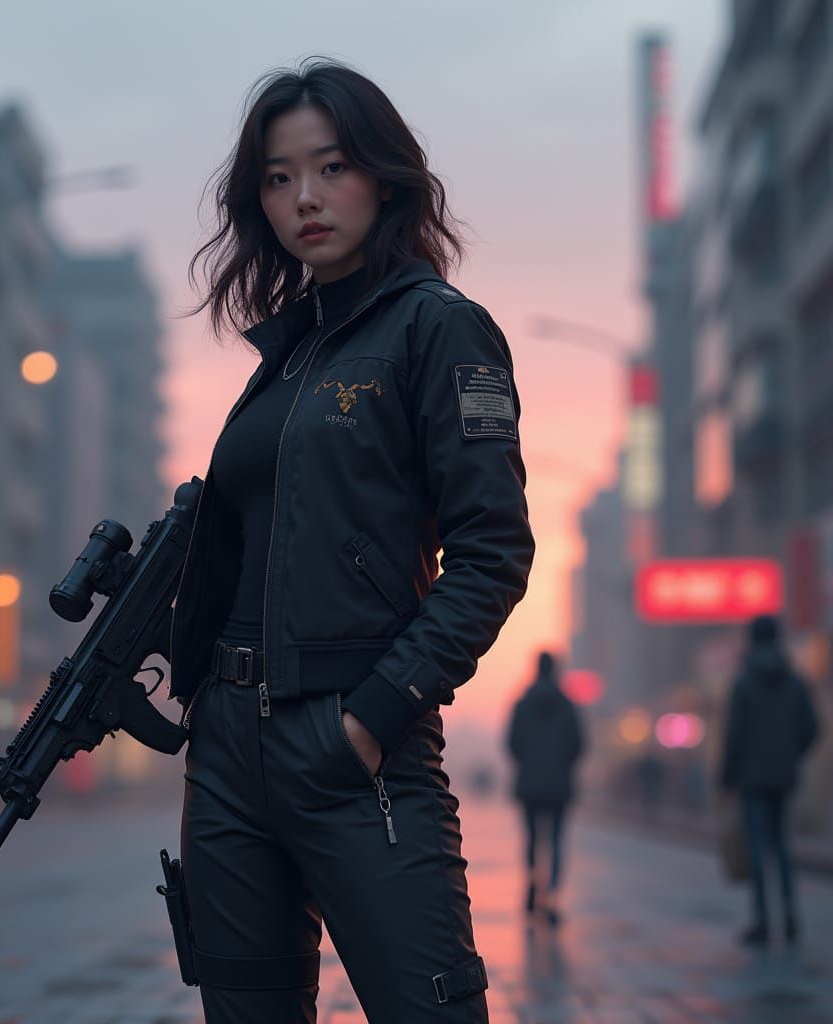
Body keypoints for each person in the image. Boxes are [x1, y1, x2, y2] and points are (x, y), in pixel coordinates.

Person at [168, 58, 535, 1022]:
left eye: (330, 168)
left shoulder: (441, 331)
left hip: (351, 745)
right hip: (227, 761)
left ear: (383, 175)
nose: (306, 199)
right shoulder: (286, 358)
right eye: (280, 179)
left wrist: (370, 715)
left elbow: (493, 556)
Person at [720, 614, 821, 947]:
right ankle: (790, 917)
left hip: (751, 778)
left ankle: (763, 920)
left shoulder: (744, 683)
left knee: (758, 848)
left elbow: (734, 736)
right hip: (784, 775)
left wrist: (728, 775)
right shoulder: (795, 682)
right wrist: (791, 754)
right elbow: (812, 728)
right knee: (782, 847)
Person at [506, 652, 584, 927]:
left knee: (531, 838)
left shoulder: (522, 704)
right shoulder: (568, 705)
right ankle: (550, 897)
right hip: (559, 784)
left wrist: (529, 763)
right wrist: (561, 764)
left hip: (529, 783)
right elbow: (578, 745)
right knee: (555, 840)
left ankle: (531, 882)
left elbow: (511, 743)